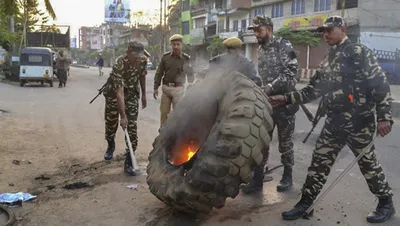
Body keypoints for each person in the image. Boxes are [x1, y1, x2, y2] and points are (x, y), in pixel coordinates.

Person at [268, 16, 395, 223]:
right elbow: (313, 90)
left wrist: (384, 117)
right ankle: (306, 203)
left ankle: (386, 203)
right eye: (323, 31)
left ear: (342, 29)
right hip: (334, 122)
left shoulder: (359, 52)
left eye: (329, 30)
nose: (325, 35)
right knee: (318, 163)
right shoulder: (328, 59)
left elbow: (380, 85)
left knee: (368, 165)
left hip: (359, 122)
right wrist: (287, 98)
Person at [241, 15, 300, 194]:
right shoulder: (261, 49)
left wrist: (270, 86)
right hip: (267, 104)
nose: (256, 35)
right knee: (261, 142)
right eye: (255, 31)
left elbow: (292, 73)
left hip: (284, 103)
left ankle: (287, 177)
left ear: (269, 28)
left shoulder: (284, 45)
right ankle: (257, 180)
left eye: (259, 30)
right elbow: (264, 75)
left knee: (285, 143)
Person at [102, 41, 148, 175]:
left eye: (140, 56)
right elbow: (119, 92)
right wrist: (123, 116)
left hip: (132, 94)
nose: (138, 59)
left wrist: (144, 95)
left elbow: (142, 76)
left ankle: (129, 160)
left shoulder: (142, 60)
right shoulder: (119, 64)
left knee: (132, 126)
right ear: (128, 53)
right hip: (114, 95)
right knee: (111, 123)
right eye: (135, 56)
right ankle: (110, 144)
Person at [153, 34, 194, 126]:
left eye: (178, 44)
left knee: (178, 114)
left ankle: (176, 134)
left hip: (178, 90)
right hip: (166, 89)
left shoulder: (186, 59)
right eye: (174, 44)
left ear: (181, 45)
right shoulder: (165, 57)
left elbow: (191, 77)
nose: (176, 46)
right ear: (171, 45)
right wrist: (156, 87)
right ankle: (163, 134)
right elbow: (159, 73)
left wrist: (192, 84)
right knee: (164, 114)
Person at [197, 37, 261, 86]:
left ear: (238, 49)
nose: (228, 51)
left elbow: (254, 80)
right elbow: (206, 71)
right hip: (219, 90)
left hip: (240, 91)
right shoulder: (217, 60)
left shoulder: (248, 63)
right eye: (228, 48)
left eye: (232, 48)